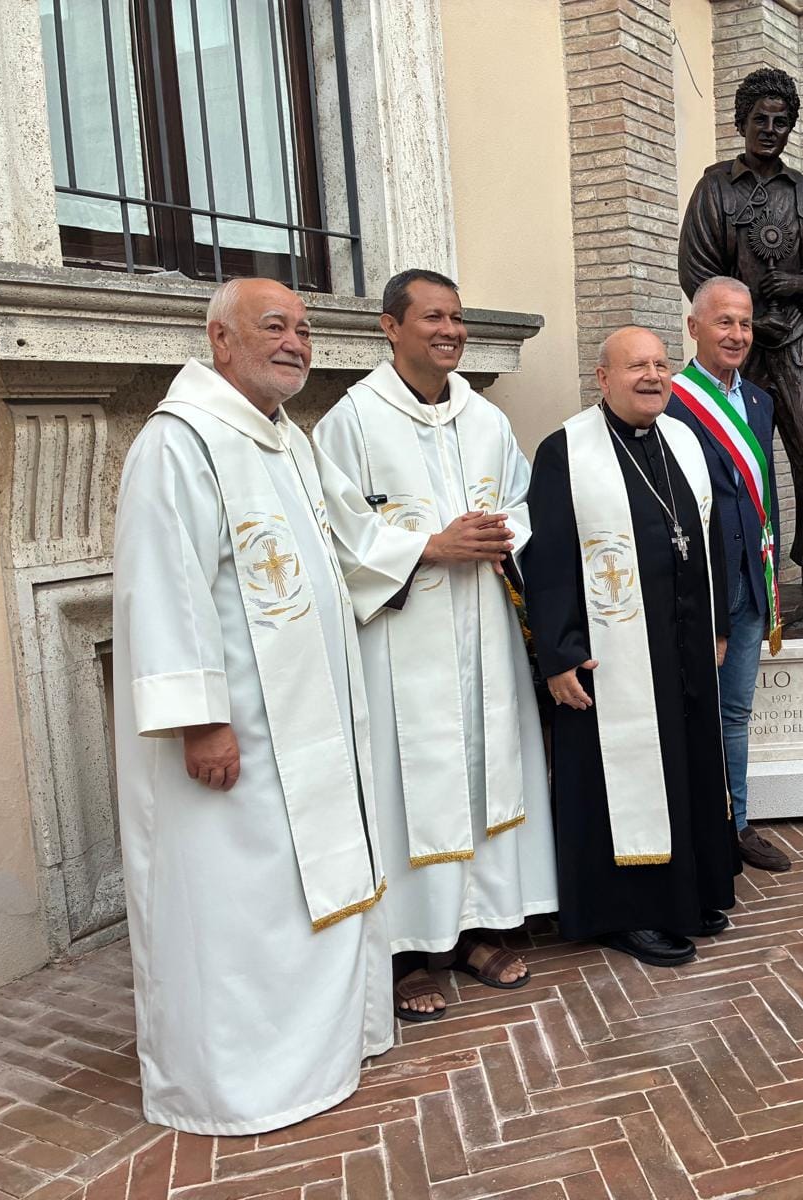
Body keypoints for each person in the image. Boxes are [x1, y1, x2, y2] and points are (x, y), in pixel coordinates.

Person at [111, 278, 391, 1133]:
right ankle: (237, 1081)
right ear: (220, 340)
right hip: (235, 736)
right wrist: (202, 719)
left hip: (307, 729)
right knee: (234, 908)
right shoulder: (180, 443)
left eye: (305, 330)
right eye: (275, 326)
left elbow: (348, 555)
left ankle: (323, 1050)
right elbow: (165, 588)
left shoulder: (286, 441)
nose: (296, 342)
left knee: (303, 892)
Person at [312, 268, 558, 1022]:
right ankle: (409, 951)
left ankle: (478, 932)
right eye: (432, 318)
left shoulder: (483, 419)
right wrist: (427, 547)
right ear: (390, 327)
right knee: (408, 785)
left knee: (486, 773)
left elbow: (523, 500)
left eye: (456, 318)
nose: (450, 330)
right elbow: (334, 534)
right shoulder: (351, 422)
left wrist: (500, 533)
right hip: (401, 642)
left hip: (483, 632)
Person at [523, 327, 740, 968]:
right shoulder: (566, 450)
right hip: (608, 654)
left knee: (688, 763)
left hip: (683, 641)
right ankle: (629, 913)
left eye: (660, 364)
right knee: (626, 771)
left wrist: (719, 625)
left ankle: (690, 891)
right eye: (636, 366)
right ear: (603, 378)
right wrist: (558, 655)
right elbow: (551, 558)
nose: (652, 376)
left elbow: (708, 536)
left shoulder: (684, 439)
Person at [679, 67, 803, 598]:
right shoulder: (715, 189)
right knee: (735, 456)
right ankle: (745, 566)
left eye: (780, 121)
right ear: (741, 123)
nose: (770, 129)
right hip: (738, 351)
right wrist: (741, 320)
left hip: (793, 345)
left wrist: (800, 281)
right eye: (760, 119)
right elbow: (697, 269)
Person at [665, 276, 793, 872]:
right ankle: (695, 829)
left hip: (749, 581)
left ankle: (736, 824)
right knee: (691, 711)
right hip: (697, 586)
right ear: (694, 328)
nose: (737, 334)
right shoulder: (668, 400)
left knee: (736, 713)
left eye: (744, 323)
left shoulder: (761, 401)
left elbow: (759, 493)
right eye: (724, 322)